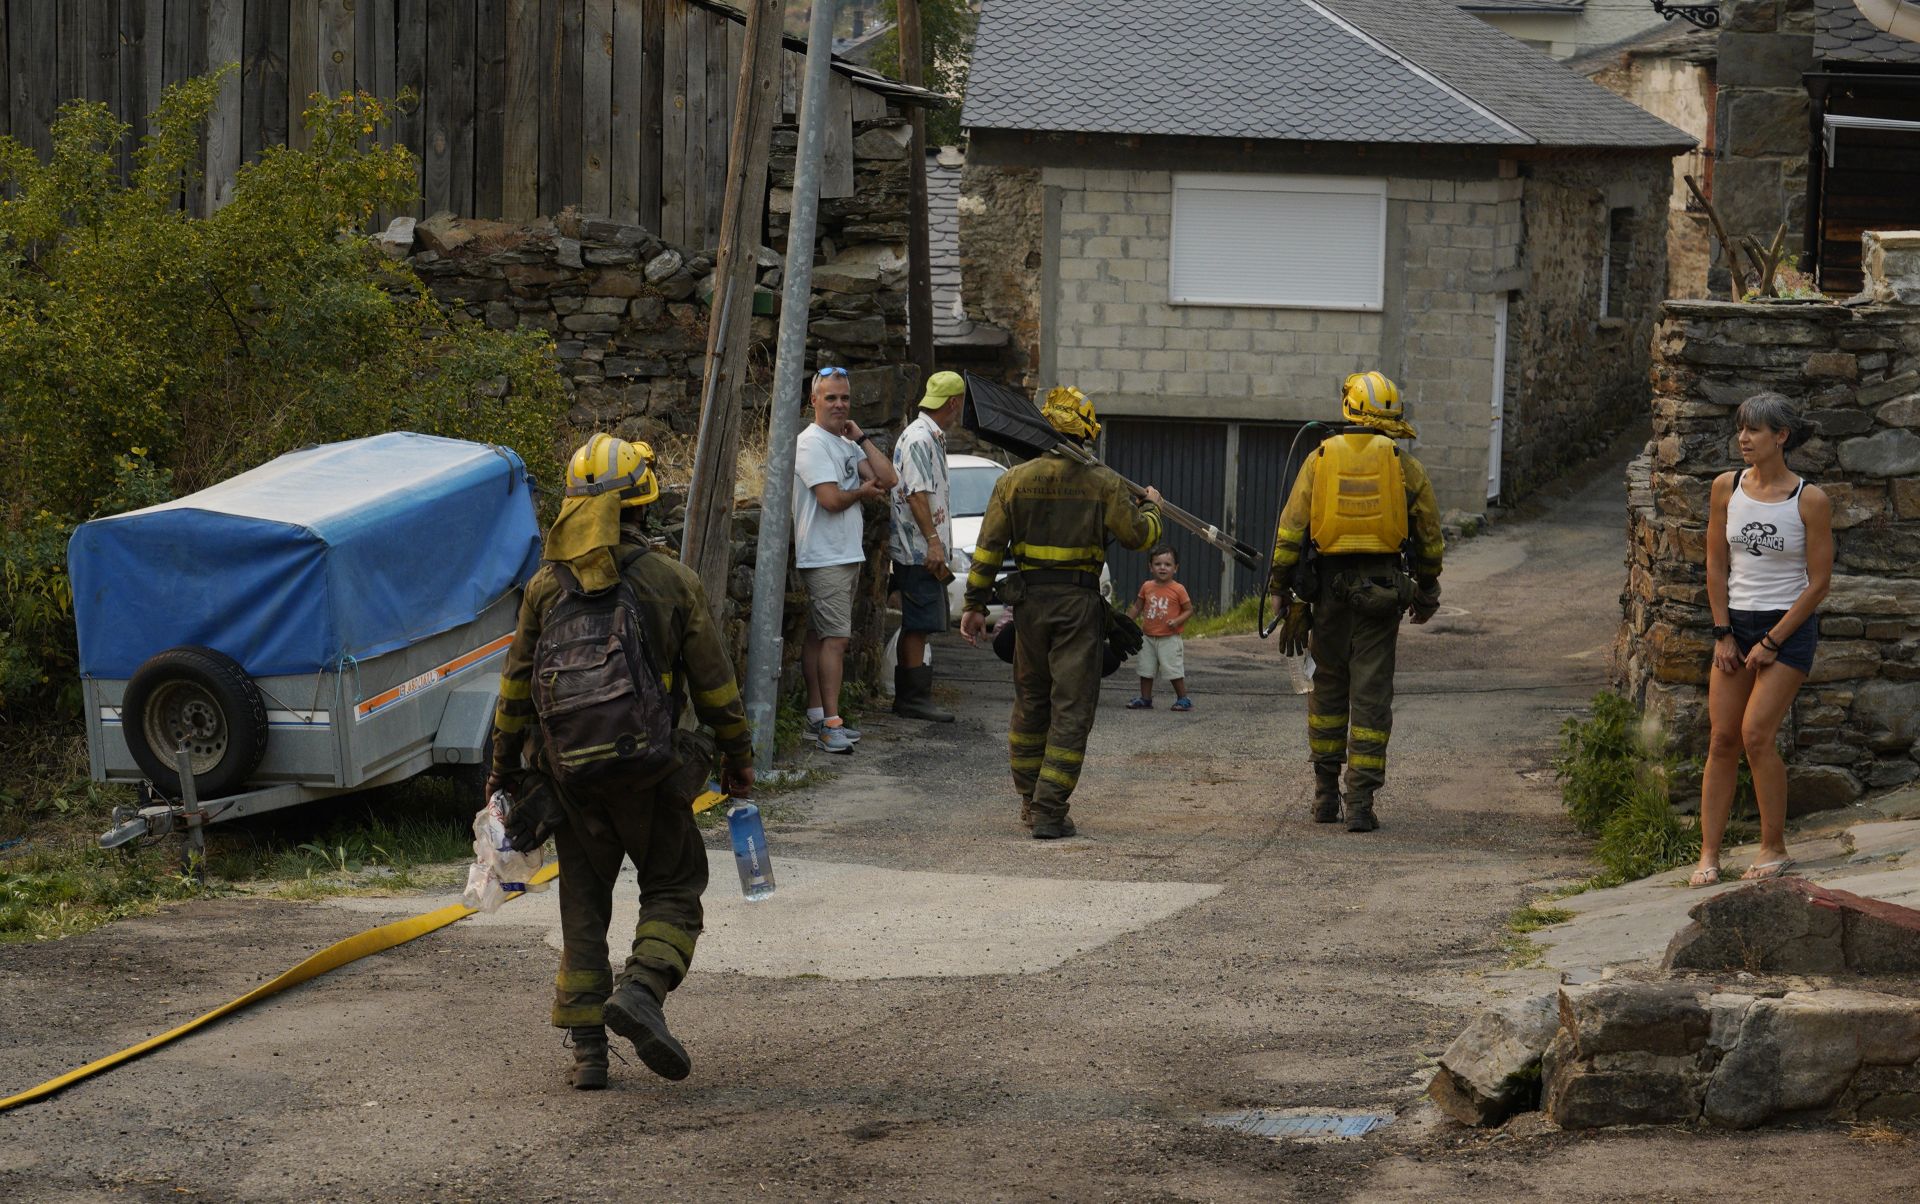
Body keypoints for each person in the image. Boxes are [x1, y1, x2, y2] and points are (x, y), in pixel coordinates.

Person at [487, 433, 754, 1090]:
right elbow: (716, 686)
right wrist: (737, 756)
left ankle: (588, 1055)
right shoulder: (672, 580)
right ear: (644, 504)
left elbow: (515, 689)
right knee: (673, 885)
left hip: (569, 780)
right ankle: (640, 992)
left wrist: (502, 771)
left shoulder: (546, 588)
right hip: (653, 775)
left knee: (583, 904)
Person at [958, 385, 1163, 839]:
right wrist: (1153, 510)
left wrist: (974, 606)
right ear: (1087, 432)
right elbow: (1137, 537)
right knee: (1070, 710)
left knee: (1030, 704)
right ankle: (1050, 809)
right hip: (1078, 610)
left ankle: (1031, 802)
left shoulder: (1012, 481)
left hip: (1028, 607)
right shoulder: (1103, 482)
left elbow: (987, 550)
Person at [1266, 371, 1445, 833]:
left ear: (1348, 410)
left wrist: (1280, 590)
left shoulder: (1318, 460)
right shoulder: (1406, 468)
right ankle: (1360, 803)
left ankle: (1326, 798)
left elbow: (1290, 531)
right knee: (1370, 698)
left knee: (1326, 691)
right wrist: (1427, 591)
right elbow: (1428, 539)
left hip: (1324, 597)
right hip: (1382, 598)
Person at [1691, 392, 1832, 887]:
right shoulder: (1725, 488)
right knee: (1723, 738)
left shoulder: (1809, 499)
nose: (1743, 439)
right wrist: (1722, 633)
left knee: (1756, 735)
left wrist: (1772, 640)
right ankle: (1710, 854)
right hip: (1735, 626)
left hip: (1787, 630)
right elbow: (1715, 563)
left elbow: (1818, 584)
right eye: (1740, 429)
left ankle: (1774, 847)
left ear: (1782, 437)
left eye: (1753, 430)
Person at [793, 365, 898, 753]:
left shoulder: (845, 442)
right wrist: (861, 492)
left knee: (819, 637)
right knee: (835, 639)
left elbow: (890, 480)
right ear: (814, 400)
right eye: (831, 397)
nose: (839, 405)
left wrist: (862, 437)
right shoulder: (812, 444)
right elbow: (831, 499)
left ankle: (818, 716)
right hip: (824, 555)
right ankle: (830, 725)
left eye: (845, 398)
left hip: (841, 553)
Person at [889, 370, 966, 723]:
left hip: (921, 548)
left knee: (920, 622)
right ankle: (912, 699)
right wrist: (934, 543)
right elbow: (917, 493)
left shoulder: (927, 435)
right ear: (954, 403)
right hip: (918, 550)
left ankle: (914, 696)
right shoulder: (921, 438)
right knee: (918, 623)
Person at [1125, 546, 1194, 711]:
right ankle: (1145, 698)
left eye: (1168, 564)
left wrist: (1177, 621)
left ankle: (1183, 698)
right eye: (1158, 564)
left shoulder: (1178, 589)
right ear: (1150, 567)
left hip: (1169, 638)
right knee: (1145, 668)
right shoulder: (1147, 586)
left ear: (1175, 568)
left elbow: (1189, 610)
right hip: (1147, 637)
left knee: (1173, 669)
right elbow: (1137, 607)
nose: (1162, 568)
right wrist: (1126, 621)